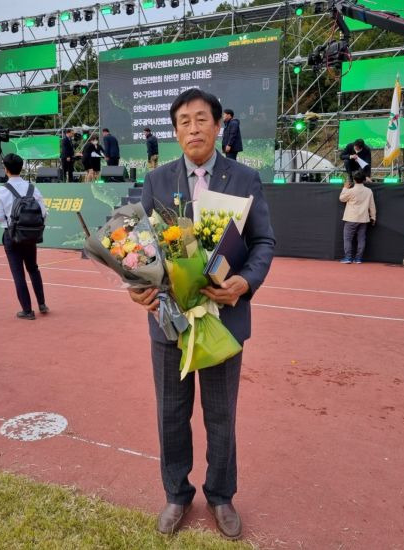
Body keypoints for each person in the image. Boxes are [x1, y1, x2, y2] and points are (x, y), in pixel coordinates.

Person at [133, 89, 275, 539]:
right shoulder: (157, 181)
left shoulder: (244, 179)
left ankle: (221, 495)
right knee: (170, 414)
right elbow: (143, 250)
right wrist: (139, 288)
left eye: (201, 119)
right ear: (175, 131)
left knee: (220, 415)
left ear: (218, 126)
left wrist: (245, 282)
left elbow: (264, 243)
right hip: (169, 322)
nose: (193, 128)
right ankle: (177, 495)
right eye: (183, 121)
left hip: (223, 318)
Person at [0, 153, 49, 319]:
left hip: (11, 235)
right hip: (30, 235)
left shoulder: (1, 191)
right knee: (33, 268)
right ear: (21, 167)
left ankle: (27, 310)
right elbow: (44, 213)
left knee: (18, 273)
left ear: (6, 169)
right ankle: (42, 304)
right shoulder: (32, 188)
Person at [339, 169, 376, 264]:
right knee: (361, 239)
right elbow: (372, 205)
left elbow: (341, 198)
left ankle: (348, 258)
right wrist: (373, 217)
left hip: (351, 218)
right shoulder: (369, 191)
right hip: (364, 218)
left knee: (347, 239)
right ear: (364, 179)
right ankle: (358, 258)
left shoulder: (351, 191)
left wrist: (345, 188)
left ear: (354, 180)